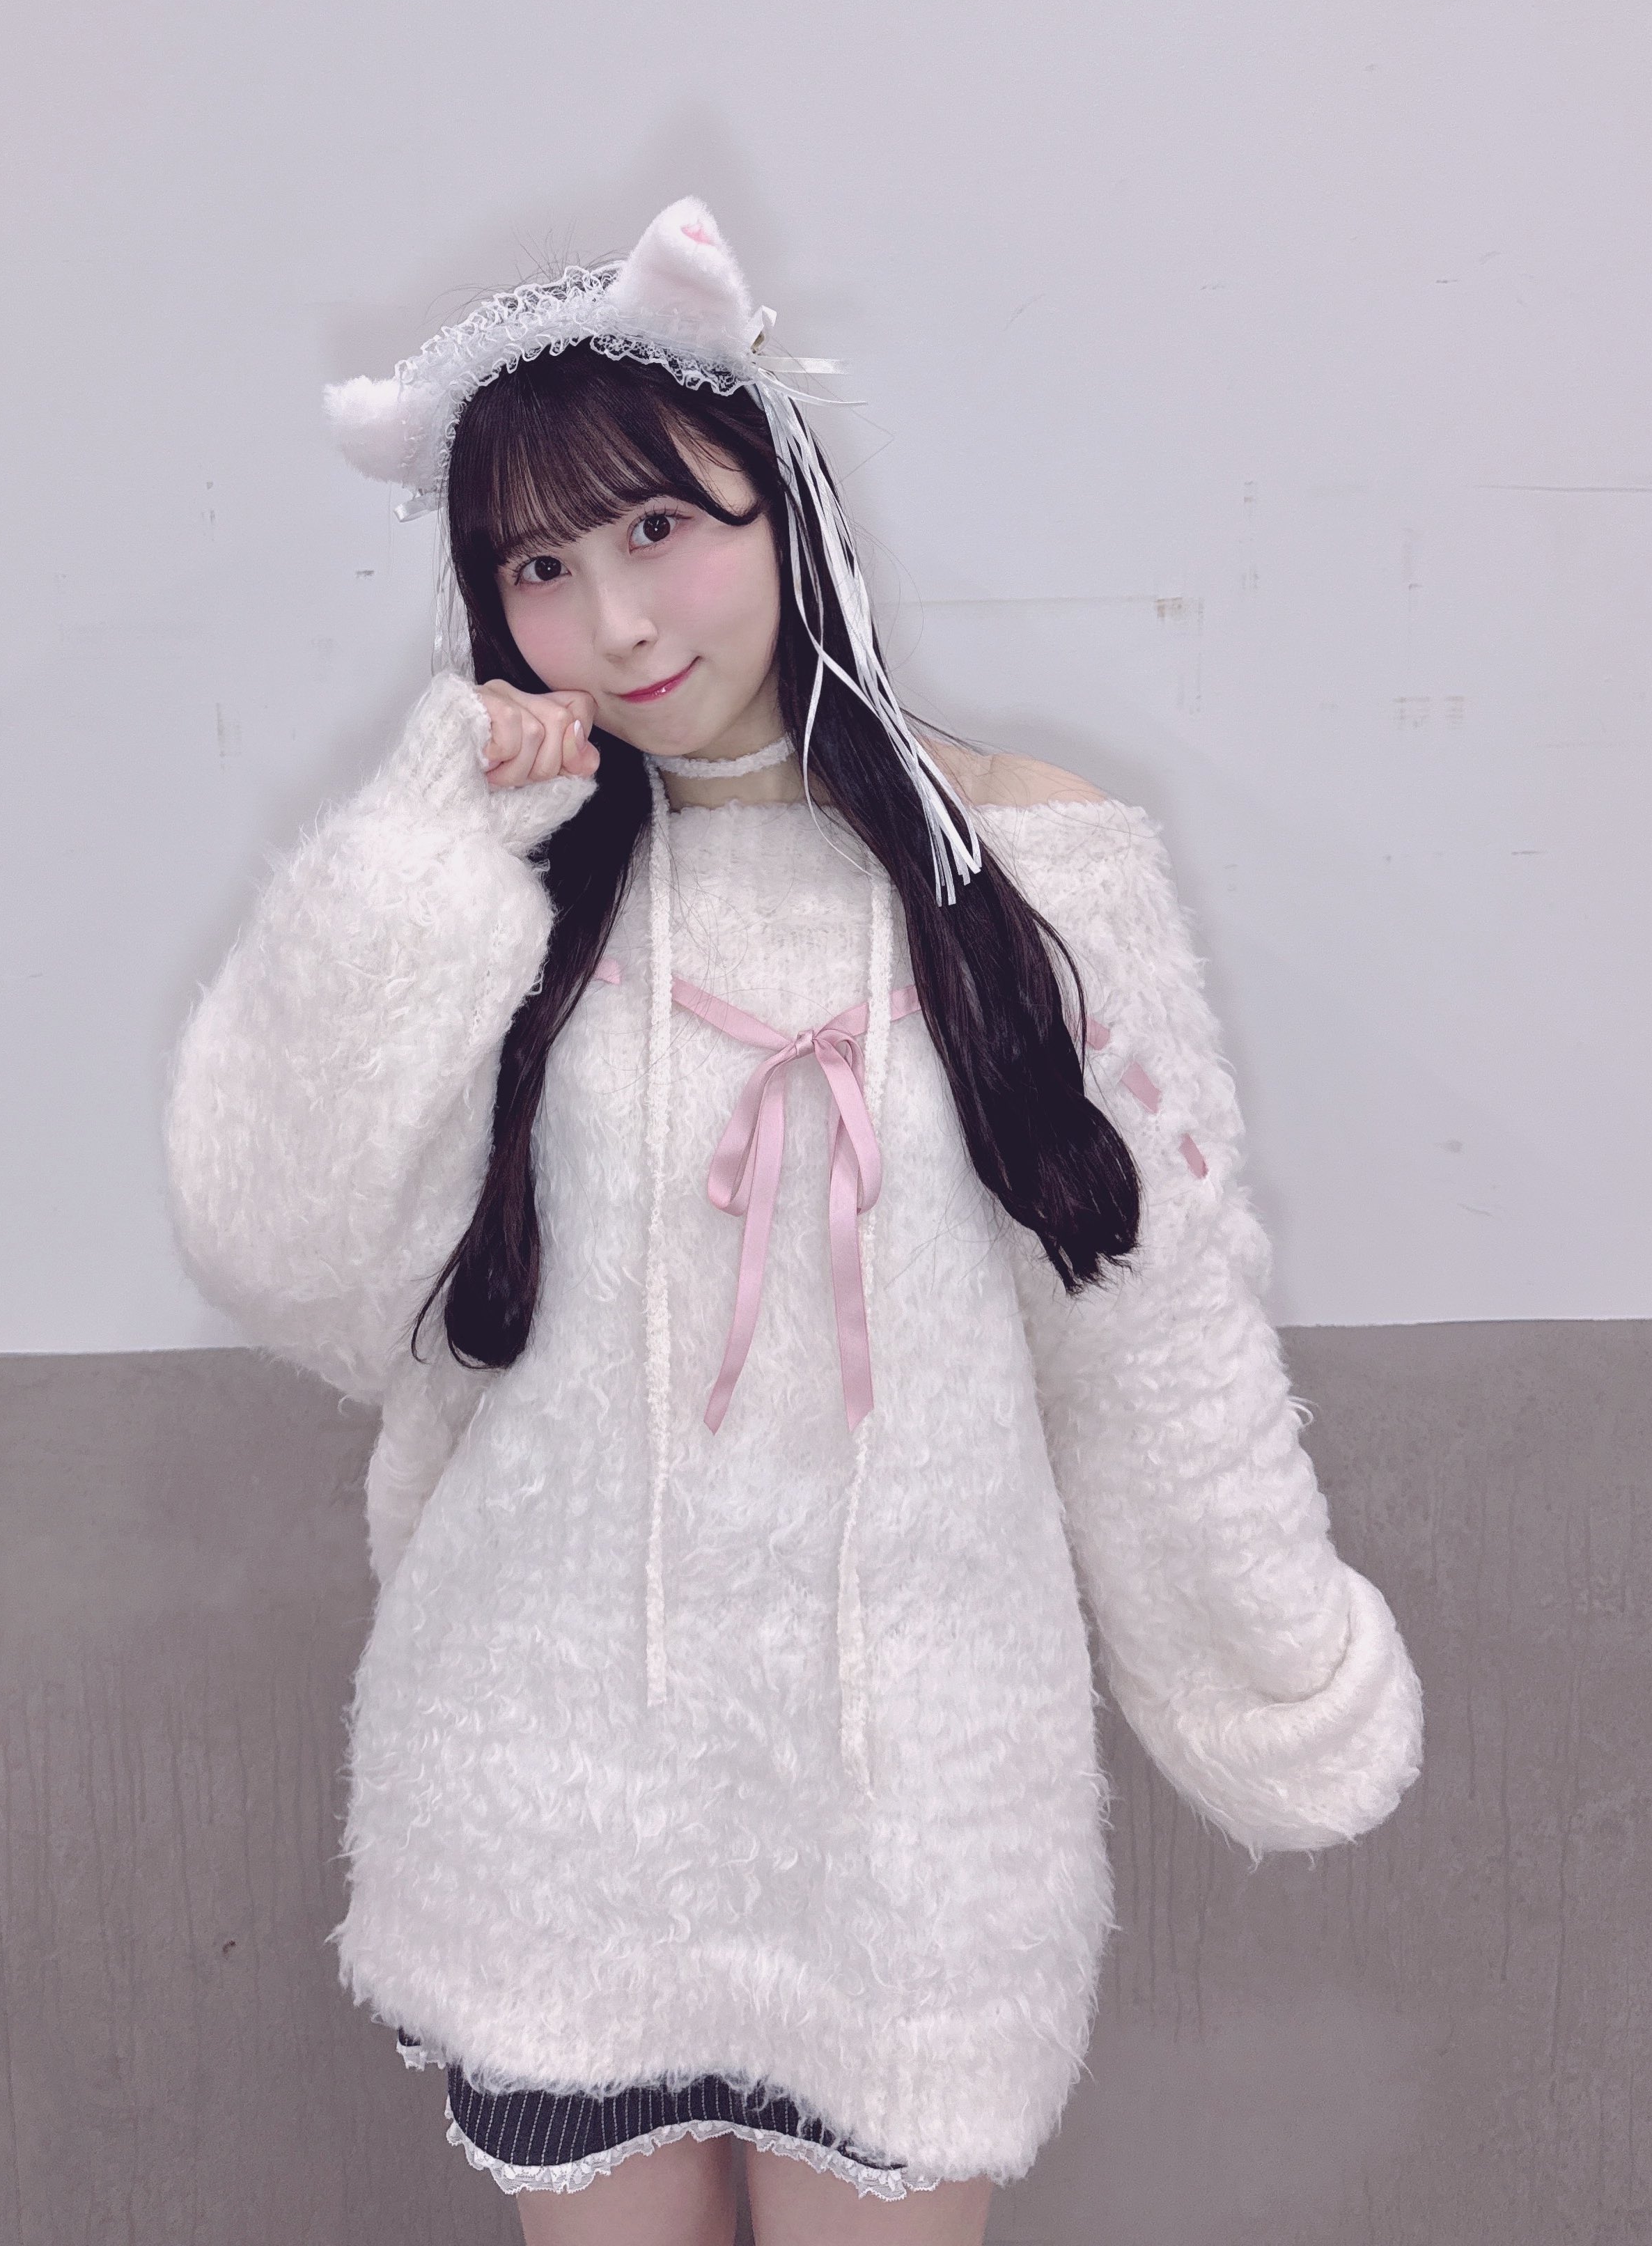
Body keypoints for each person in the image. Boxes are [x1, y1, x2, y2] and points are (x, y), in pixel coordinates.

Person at [161, 198, 1424, 2246]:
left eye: (659, 527)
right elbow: (285, 1256)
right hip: (547, 1789)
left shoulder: (1028, 870)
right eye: (540, 569)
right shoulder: (508, 891)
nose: (615, 620)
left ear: (784, 502)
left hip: (915, 1811)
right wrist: (429, 849)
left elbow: (1152, 1339)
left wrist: (1273, 1672)